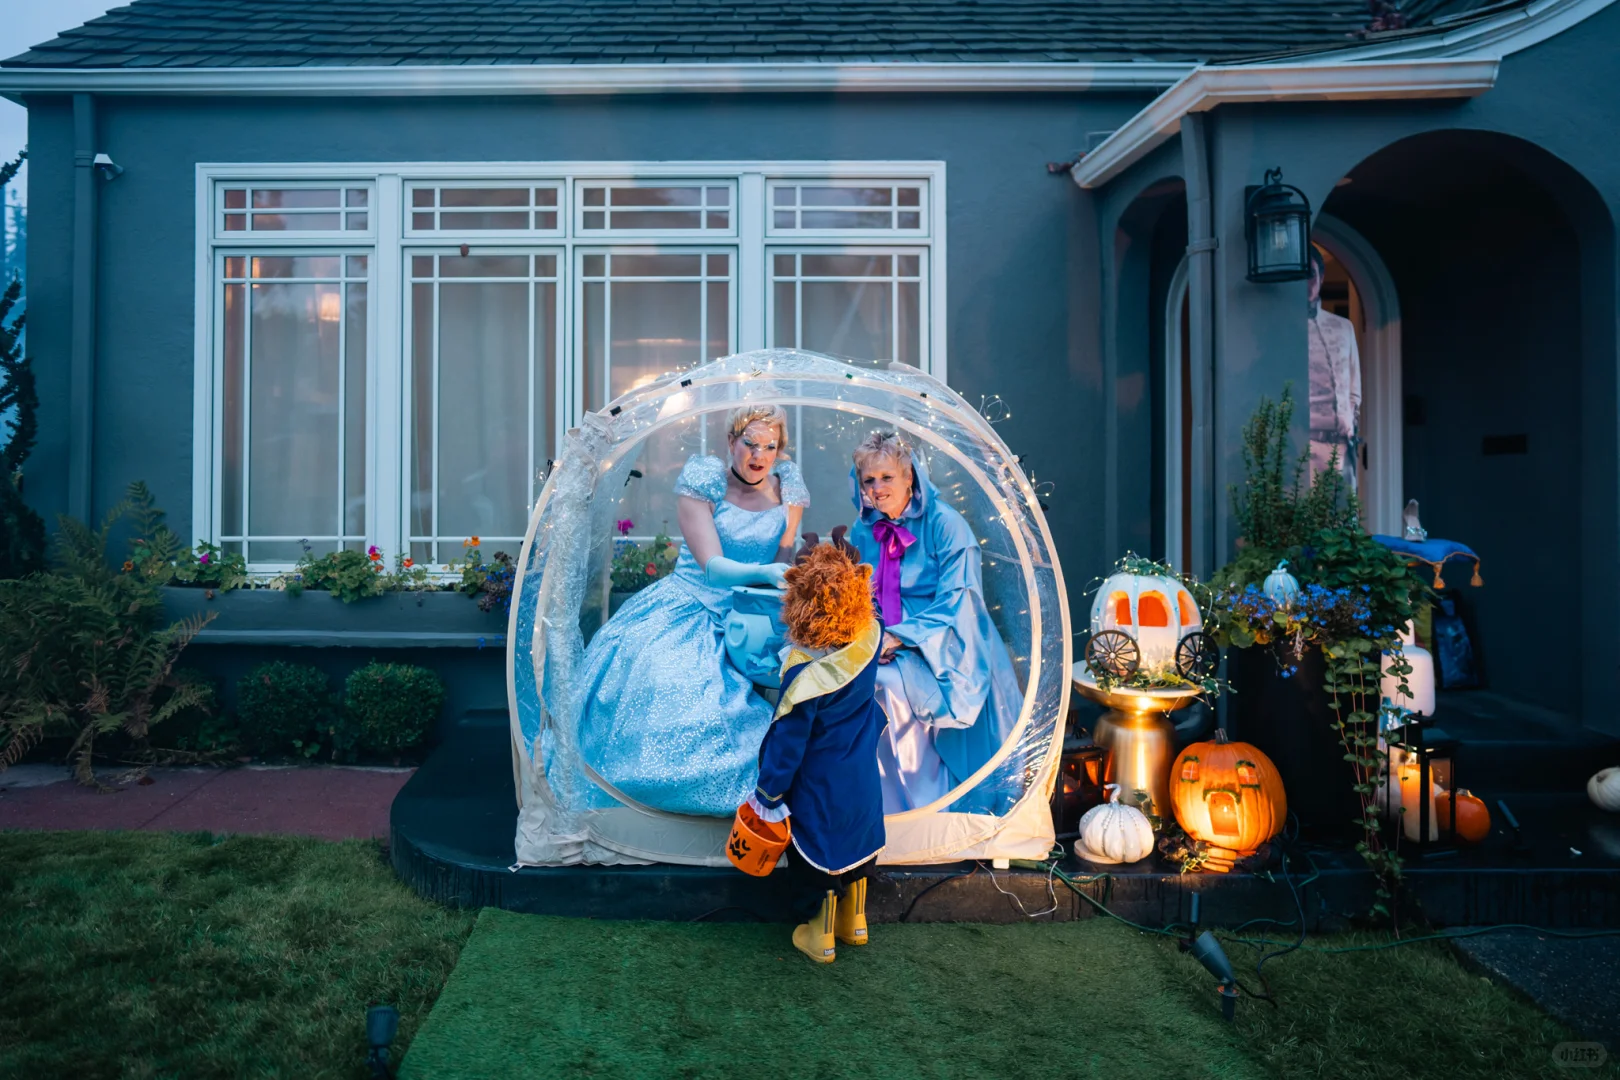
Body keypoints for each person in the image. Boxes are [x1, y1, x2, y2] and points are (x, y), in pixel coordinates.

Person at [572, 405, 809, 816]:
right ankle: (657, 806)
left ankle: (766, 810)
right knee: (677, 694)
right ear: (731, 443)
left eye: (770, 446)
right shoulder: (703, 484)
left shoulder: (787, 489)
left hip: (755, 614)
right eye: (749, 443)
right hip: (691, 608)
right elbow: (714, 570)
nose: (758, 455)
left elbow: (785, 558)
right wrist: (767, 570)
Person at [846, 430, 1022, 814]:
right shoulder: (865, 528)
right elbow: (863, 594)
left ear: (909, 475)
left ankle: (929, 805)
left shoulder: (946, 524)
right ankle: (884, 805)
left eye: (887, 477)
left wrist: (901, 639)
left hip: (946, 637)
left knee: (887, 686)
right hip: (884, 635)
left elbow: (959, 600)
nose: (877, 489)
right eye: (869, 481)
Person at [745, 542, 886, 964]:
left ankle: (820, 934)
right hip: (861, 777)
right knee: (858, 849)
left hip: (819, 786)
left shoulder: (805, 678)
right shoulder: (869, 639)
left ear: (798, 603)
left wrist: (768, 795)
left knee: (816, 862)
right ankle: (855, 921)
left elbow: (787, 745)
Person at [1306, 246, 1362, 492]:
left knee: (1346, 520)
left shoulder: (1344, 327)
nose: (1306, 283)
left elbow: (1354, 387)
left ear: (1321, 277)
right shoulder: (1286, 330)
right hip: (1307, 446)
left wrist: (1351, 424)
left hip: (1343, 445)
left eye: (1311, 275)